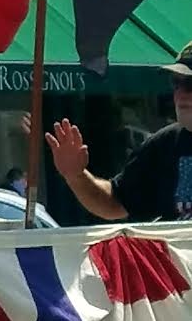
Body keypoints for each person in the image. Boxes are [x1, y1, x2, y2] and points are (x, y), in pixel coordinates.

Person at [46, 41, 192, 221]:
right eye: (176, 83)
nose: (181, 94)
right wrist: (76, 176)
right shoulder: (165, 144)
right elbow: (116, 203)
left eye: (190, 83)